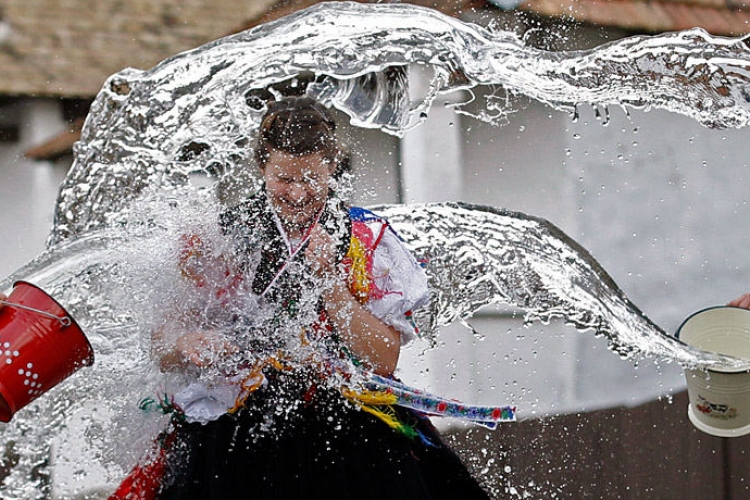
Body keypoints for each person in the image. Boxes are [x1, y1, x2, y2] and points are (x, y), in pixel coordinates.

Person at [109, 97, 494, 500]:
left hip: (350, 430)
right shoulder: (217, 240)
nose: (296, 194)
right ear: (261, 167)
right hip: (238, 432)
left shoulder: (366, 239)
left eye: (310, 178)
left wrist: (328, 280)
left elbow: (383, 359)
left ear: (331, 166)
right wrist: (186, 344)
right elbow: (161, 347)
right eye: (283, 179)